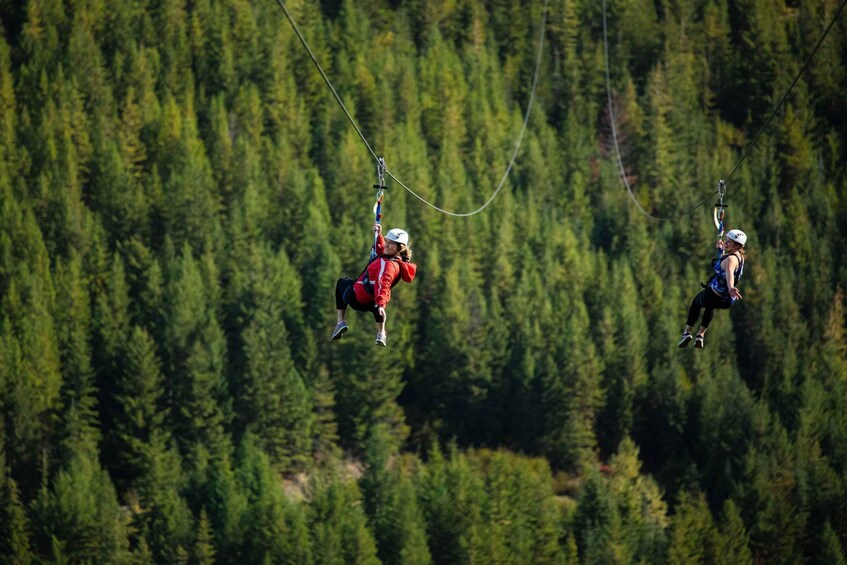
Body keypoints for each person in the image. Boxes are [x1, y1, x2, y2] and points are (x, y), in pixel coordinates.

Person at [331, 222, 416, 346]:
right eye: (387, 241)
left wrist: (381, 302)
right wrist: (379, 234)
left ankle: (340, 322)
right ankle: (381, 333)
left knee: (342, 283)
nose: (387, 245)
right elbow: (381, 250)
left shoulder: (388, 265)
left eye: (391, 243)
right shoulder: (396, 261)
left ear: (399, 248)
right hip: (372, 302)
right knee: (377, 305)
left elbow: (384, 283)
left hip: (357, 297)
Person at [679, 229, 747, 349]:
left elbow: (729, 273)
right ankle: (700, 335)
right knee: (710, 307)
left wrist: (731, 287)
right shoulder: (739, 258)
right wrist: (720, 251)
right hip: (725, 300)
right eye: (726, 240)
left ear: (737, 245)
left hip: (713, 293)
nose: (725, 243)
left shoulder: (731, 260)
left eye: (729, 242)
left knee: (696, 302)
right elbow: (725, 265)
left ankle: (687, 332)